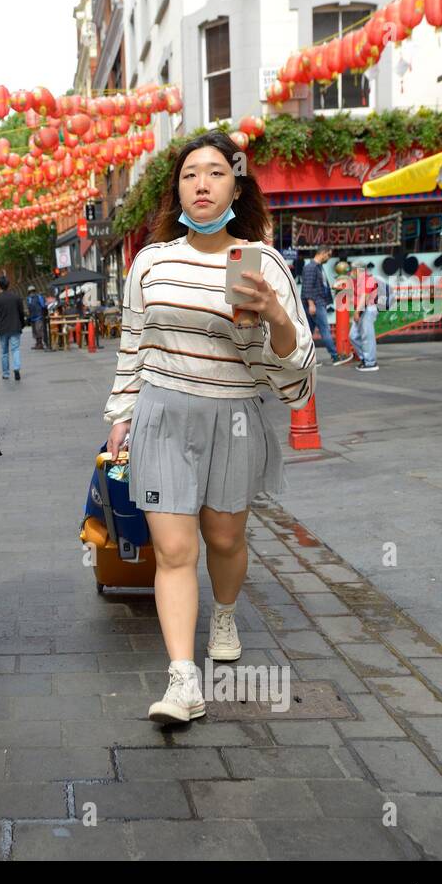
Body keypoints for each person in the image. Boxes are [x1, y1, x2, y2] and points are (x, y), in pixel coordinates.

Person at [104, 131, 316, 725]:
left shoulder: (265, 263)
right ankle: (182, 680)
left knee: (223, 539)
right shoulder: (150, 261)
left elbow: (294, 364)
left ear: (236, 185)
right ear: (178, 188)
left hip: (235, 416)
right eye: (191, 173)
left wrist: (273, 313)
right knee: (174, 550)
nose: (202, 182)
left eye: (216, 172)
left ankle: (224, 613)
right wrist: (120, 416)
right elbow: (132, 346)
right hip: (163, 413)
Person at [300, 247, 351, 366]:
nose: (329, 258)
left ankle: (306, 360)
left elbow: (317, 285)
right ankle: (335, 356)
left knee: (308, 333)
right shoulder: (311, 267)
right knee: (325, 330)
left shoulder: (317, 267)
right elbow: (307, 288)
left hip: (317, 303)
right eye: (328, 255)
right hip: (315, 304)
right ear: (322, 253)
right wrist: (311, 305)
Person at [0, 275, 25, 381]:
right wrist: (22, 324)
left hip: (3, 328)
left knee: (4, 352)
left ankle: (6, 373)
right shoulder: (16, 297)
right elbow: (21, 313)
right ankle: (16, 368)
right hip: (15, 327)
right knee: (15, 349)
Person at [351, 264, 383, 372]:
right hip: (362, 309)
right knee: (353, 336)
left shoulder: (368, 279)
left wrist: (357, 312)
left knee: (367, 336)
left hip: (368, 309)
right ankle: (365, 358)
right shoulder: (357, 280)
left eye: (352, 270)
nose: (351, 272)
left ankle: (370, 362)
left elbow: (365, 296)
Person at [26, 285, 48, 350]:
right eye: (30, 292)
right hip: (32, 317)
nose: (31, 293)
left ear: (34, 291)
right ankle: (37, 343)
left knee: (39, 330)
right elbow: (29, 308)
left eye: (32, 291)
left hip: (39, 317)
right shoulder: (28, 299)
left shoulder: (39, 297)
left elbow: (43, 306)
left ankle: (40, 344)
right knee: (35, 331)